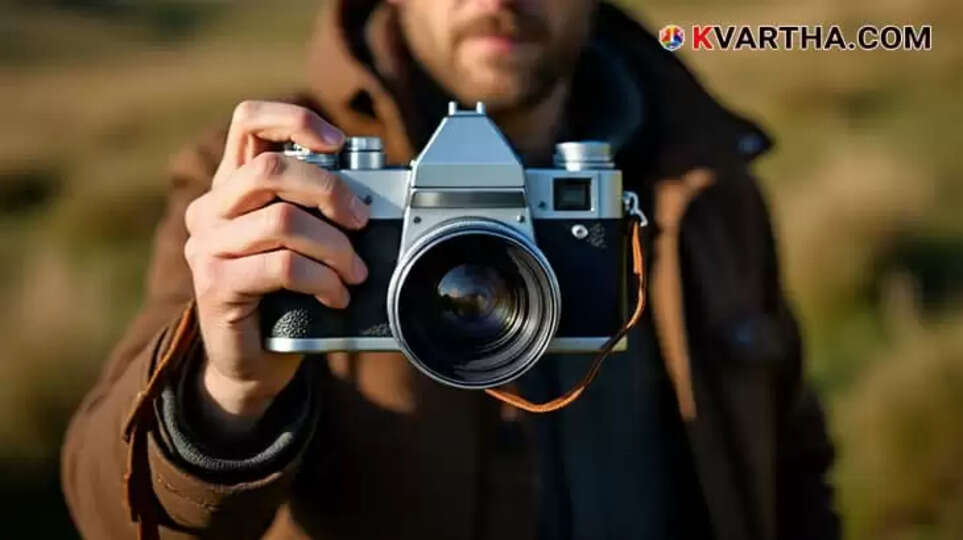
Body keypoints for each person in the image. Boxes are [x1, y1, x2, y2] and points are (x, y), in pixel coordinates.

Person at [62, 1, 839, 538]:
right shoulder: (273, 181)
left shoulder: (697, 178)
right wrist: (224, 396)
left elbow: (791, 467)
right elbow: (109, 515)